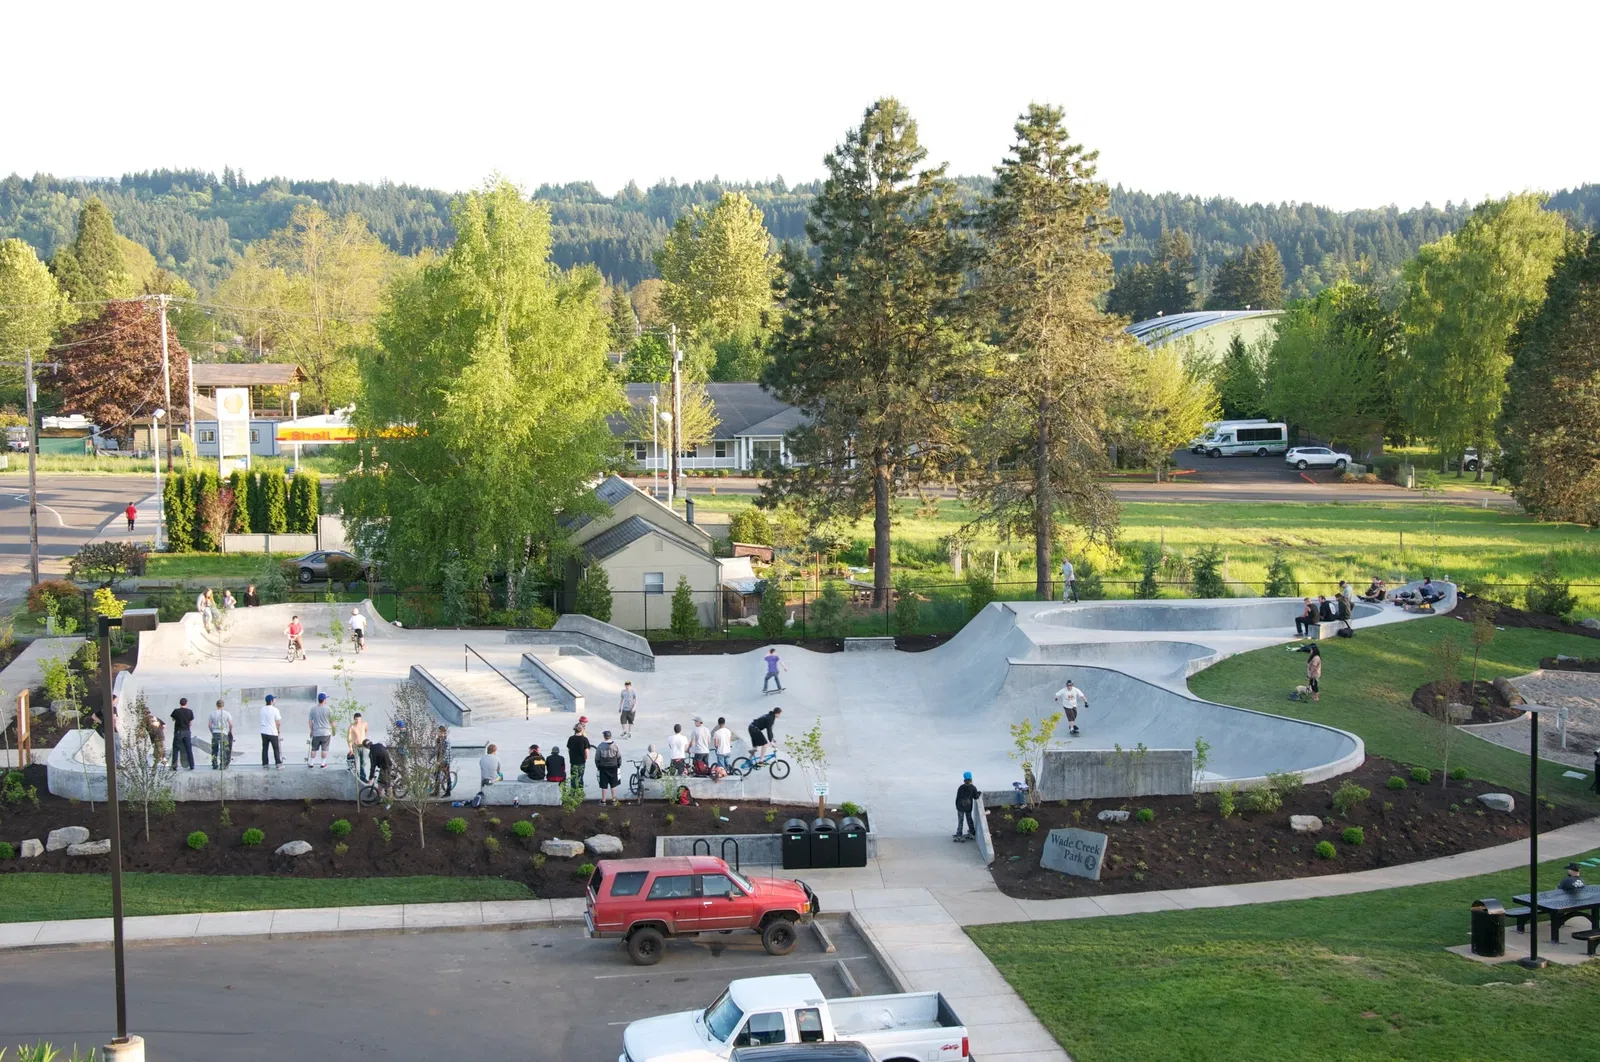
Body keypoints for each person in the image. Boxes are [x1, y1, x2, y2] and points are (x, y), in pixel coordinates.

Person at [594, 729, 623, 805]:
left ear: (604, 737)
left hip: (603, 767)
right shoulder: (615, 745)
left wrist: (598, 766)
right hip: (613, 766)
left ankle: (603, 801)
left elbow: (597, 758)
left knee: (604, 785)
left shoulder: (600, 746)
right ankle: (614, 800)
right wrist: (618, 765)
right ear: (610, 736)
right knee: (613, 784)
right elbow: (619, 756)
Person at [307, 692, 334, 768]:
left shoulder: (313, 709)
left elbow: (310, 721)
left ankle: (311, 763)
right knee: (324, 748)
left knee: (314, 748)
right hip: (326, 732)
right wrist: (333, 729)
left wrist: (311, 730)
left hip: (316, 732)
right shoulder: (328, 709)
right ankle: (323, 763)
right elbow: (332, 721)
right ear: (324, 700)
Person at [169, 697, 196, 771]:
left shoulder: (176, 711)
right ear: (186, 703)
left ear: (180, 703)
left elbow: (173, 719)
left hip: (178, 731)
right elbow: (190, 723)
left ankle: (174, 766)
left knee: (175, 749)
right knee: (188, 749)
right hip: (187, 731)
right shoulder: (190, 711)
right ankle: (192, 765)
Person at [566, 722, 592, 791]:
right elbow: (586, 750)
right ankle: (580, 791)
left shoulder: (571, 738)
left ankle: (573, 791)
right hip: (581, 761)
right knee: (580, 776)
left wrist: (570, 757)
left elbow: (569, 749)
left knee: (573, 776)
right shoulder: (584, 739)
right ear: (582, 730)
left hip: (573, 761)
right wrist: (586, 758)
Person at [954, 771, 980, 842]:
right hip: (968, 807)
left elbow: (957, 797)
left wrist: (957, 806)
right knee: (969, 819)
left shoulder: (961, 787)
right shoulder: (973, 788)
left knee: (960, 820)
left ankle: (959, 833)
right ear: (971, 779)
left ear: (964, 780)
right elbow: (976, 797)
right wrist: (978, 793)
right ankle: (972, 832)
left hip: (960, 806)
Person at [259, 693, 283, 768]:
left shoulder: (262, 709)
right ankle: (278, 764)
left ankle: (265, 764)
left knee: (265, 748)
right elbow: (278, 722)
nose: (275, 701)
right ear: (272, 701)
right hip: (272, 731)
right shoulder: (275, 710)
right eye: (274, 699)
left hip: (264, 731)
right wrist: (278, 730)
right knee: (276, 748)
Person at [208, 699, 233, 770]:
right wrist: (230, 731)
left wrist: (212, 731)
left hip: (215, 732)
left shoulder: (212, 713)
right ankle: (222, 765)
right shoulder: (227, 713)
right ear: (223, 705)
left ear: (216, 705)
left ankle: (214, 764)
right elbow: (231, 724)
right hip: (224, 733)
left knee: (214, 749)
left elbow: (209, 725)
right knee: (223, 749)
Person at [347, 711, 369, 780]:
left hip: (363, 746)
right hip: (355, 746)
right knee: (356, 762)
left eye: (359, 719)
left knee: (363, 762)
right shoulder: (352, 726)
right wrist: (351, 749)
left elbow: (366, 731)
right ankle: (356, 776)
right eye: (356, 719)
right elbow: (349, 738)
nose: (358, 721)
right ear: (354, 719)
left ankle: (363, 777)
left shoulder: (364, 724)